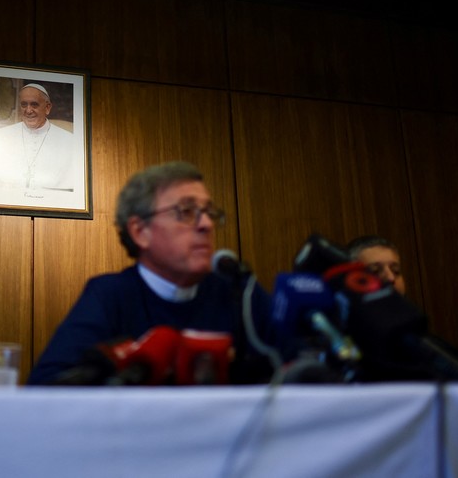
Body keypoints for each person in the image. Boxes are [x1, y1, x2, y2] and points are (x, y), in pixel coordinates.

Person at [27, 161, 275, 385]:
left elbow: (299, 372)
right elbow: (45, 390)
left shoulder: (240, 294)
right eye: (186, 211)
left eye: (209, 212)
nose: (206, 224)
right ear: (140, 231)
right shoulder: (110, 296)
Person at [0, 83, 75, 192]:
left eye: (34, 104)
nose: (28, 110)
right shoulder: (0, 137)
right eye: (23, 104)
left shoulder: (69, 141)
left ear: (47, 107)